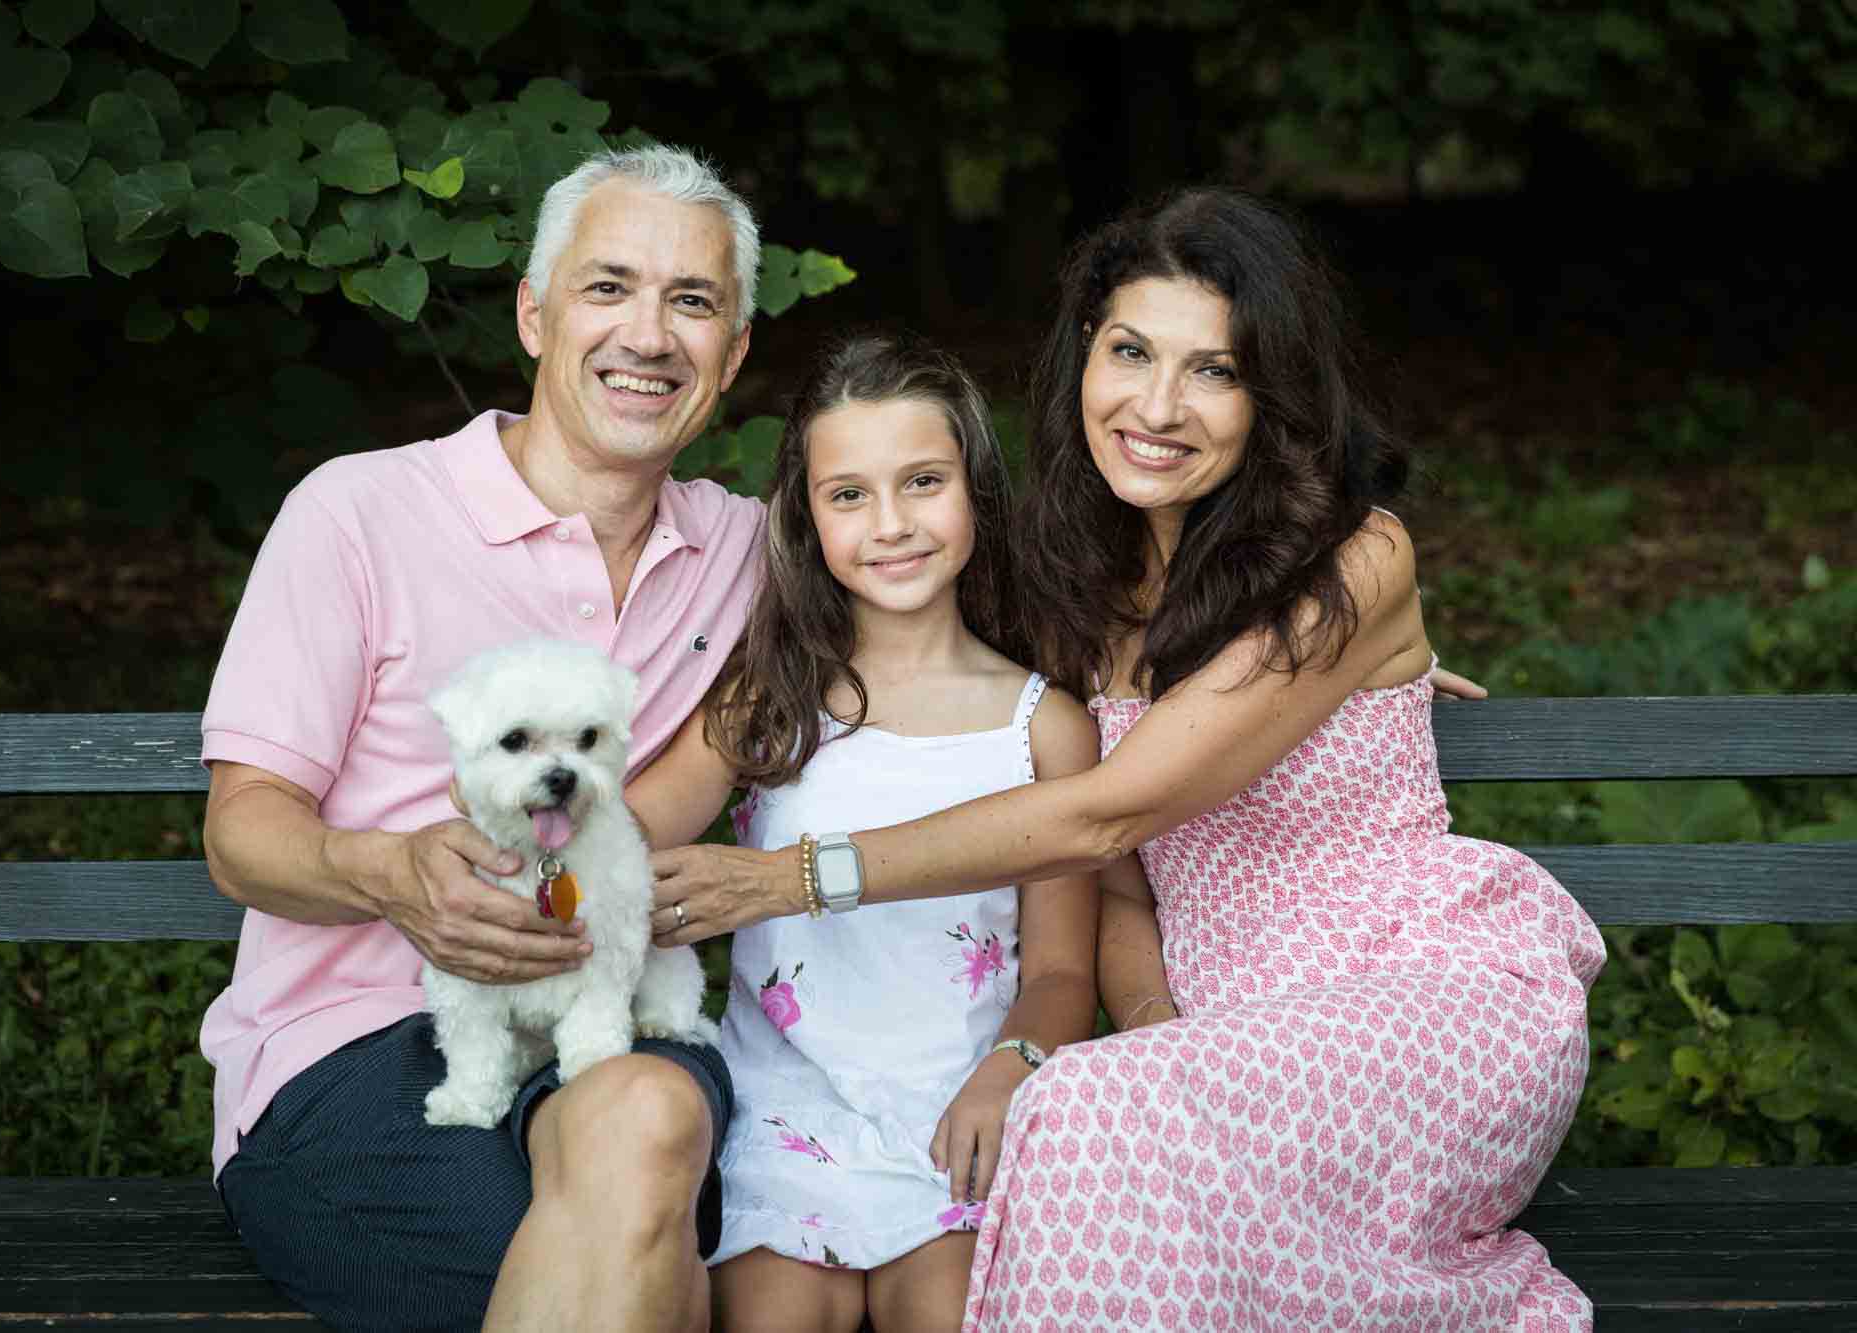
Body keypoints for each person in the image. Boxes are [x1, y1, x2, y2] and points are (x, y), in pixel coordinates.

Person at [647, 187, 1607, 1330]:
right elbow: (1114, 886)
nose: (1158, 404)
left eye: (1214, 370)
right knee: (1115, 1109)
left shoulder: (1352, 560)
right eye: (1130, 352)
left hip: (1415, 996)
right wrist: (1155, 1034)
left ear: (1273, 396)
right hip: (1211, 1047)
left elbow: (1107, 812)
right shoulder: (1072, 602)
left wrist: (792, 876)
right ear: (1080, 361)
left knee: (1081, 1114)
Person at [196, 144, 767, 1332]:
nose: (648, 336)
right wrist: (391, 870)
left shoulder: (752, 553)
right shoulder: (358, 512)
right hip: (349, 1045)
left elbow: (957, 575)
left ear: (736, 350)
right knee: (606, 1258)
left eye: (693, 301)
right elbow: (242, 835)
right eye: (607, 286)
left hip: (597, 1009)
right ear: (533, 313)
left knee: (651, 1130)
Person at [621, 332, 1103, 1333]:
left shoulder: (1041, 727)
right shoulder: (772, 701)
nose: (890, 524)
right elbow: (630, 832)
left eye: (921, 481)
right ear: (806, 518)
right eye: (848, 495)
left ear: (974, 488)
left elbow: (1061, 973)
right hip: (788, 1115)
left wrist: (1007, 1073)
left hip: (957, 1112)